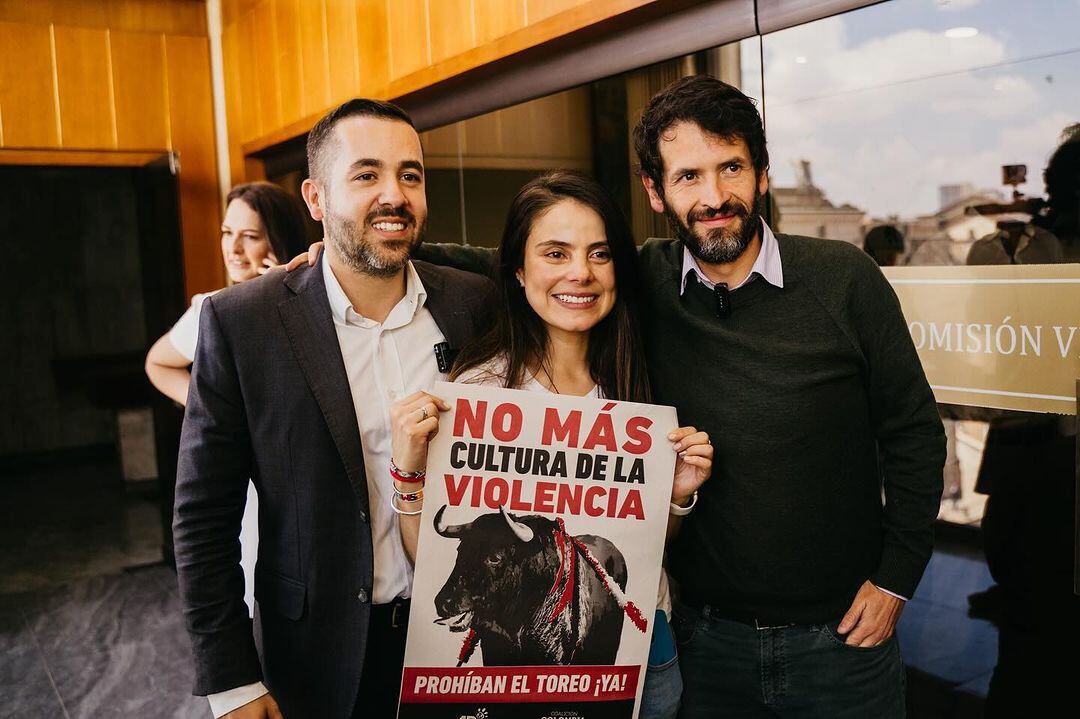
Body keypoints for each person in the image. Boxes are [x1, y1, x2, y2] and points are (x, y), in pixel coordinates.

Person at [410, 76, 946, 717]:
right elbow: (519, 261)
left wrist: (897, 578)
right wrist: (361, 254)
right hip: (704, 641)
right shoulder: (644, 280)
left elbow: (914, 432)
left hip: (842, 641)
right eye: (688, 176)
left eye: (731, 168)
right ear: (655, 191)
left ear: (762, 173)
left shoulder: (845, 279)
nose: (714, 197)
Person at [173, 98, 494, 719]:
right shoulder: (244, 323)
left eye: (409, 175)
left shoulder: (473, 304)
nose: (394, 195)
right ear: (315, 198)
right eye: (366, 174)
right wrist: (232, 680)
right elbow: (202, 518)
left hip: (463, 642)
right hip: (323, 653)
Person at [389, 171, 713, 719]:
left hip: (641, 654)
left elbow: (647, 543)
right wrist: (408, 469)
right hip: (521, 661)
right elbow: (435, 556)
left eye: (599, 254)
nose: (580, 273)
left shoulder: (640, 383)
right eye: (556, 253)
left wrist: (677, 496)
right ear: (518, 269)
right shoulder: (479, 392)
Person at [146, 181, 308, 615]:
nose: (233, 248)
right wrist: (216, 412)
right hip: (248, 477)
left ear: (278, 240)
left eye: (249, 236)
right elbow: (157, 363)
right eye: (226, 232)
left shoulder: (315, 301)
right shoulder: (213, 308)